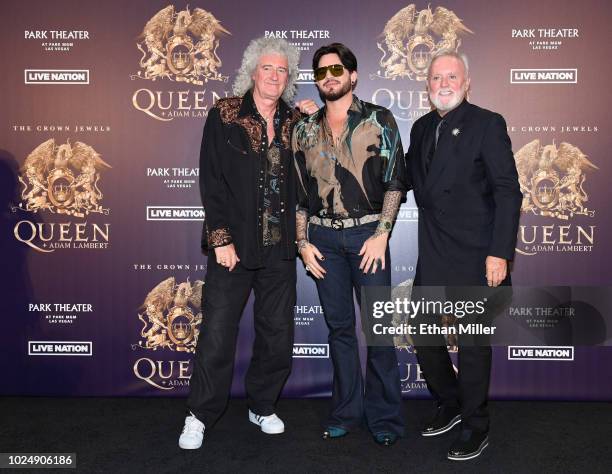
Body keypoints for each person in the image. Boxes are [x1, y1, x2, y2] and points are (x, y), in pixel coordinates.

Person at [178, 37, 302, 450]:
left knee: (277, 334)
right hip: (232, 248)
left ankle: (262, 406)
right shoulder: (224, 114)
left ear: (289, 78)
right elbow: (210, 181)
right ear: (252, 72)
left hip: (280, 249)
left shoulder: (294, 121)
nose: (274, 75)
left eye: (281, 70)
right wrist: (220, 240)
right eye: (267, 68)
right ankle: (199, 415)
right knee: (216, 334)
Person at [405, 49, 522, 460]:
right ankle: (451, 402)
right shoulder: (420, 128)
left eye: (451, 77)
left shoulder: (487, 124)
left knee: (472, 346)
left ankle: (476, 424)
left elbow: (509, 191)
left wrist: (499, 253)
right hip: (434, 252)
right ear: (427, 85)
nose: (443, 84)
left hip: (477, 255)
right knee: (422, 334)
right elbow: (401, 179)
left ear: (466, 82)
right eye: (436, 78)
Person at [293, 43, 408, 446]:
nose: (329, 77)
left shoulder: (379, 119)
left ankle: (386, 420)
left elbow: (396, 180)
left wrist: (382, 234)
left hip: (367, 237)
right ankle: (346, 412)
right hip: (322, 240)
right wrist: (302, 243)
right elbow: (299, 194)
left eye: (337, 69)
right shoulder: (303, 129)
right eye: (321, 72)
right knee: (340, 330)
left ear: (353, 75)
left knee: (378, 331)